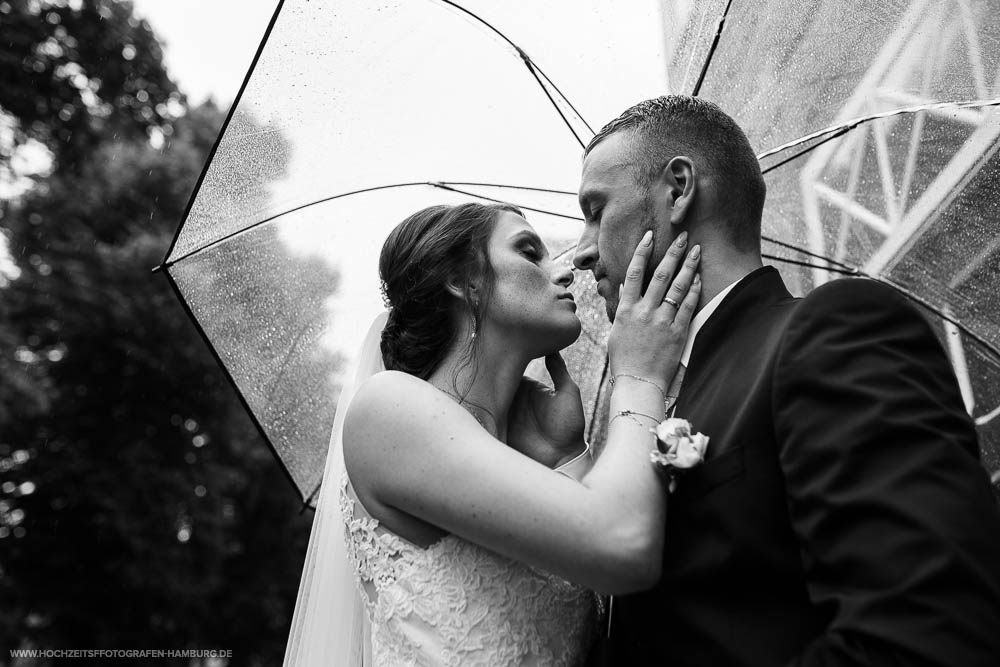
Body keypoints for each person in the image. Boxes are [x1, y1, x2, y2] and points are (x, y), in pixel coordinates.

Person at [573, 95, 1000, 666]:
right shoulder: (647, 394)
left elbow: (926, 633)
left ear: (677, 190)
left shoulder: (832, 330)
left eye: (596, 210)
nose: (579, 253)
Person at [283, 201, 702, 666]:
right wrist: (640, 378)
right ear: (464, 281)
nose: (564, 273)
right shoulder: (388, 408)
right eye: (529, 253)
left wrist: (567, 453)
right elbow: (624, 547)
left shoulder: (524, 449)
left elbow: (604, 609)